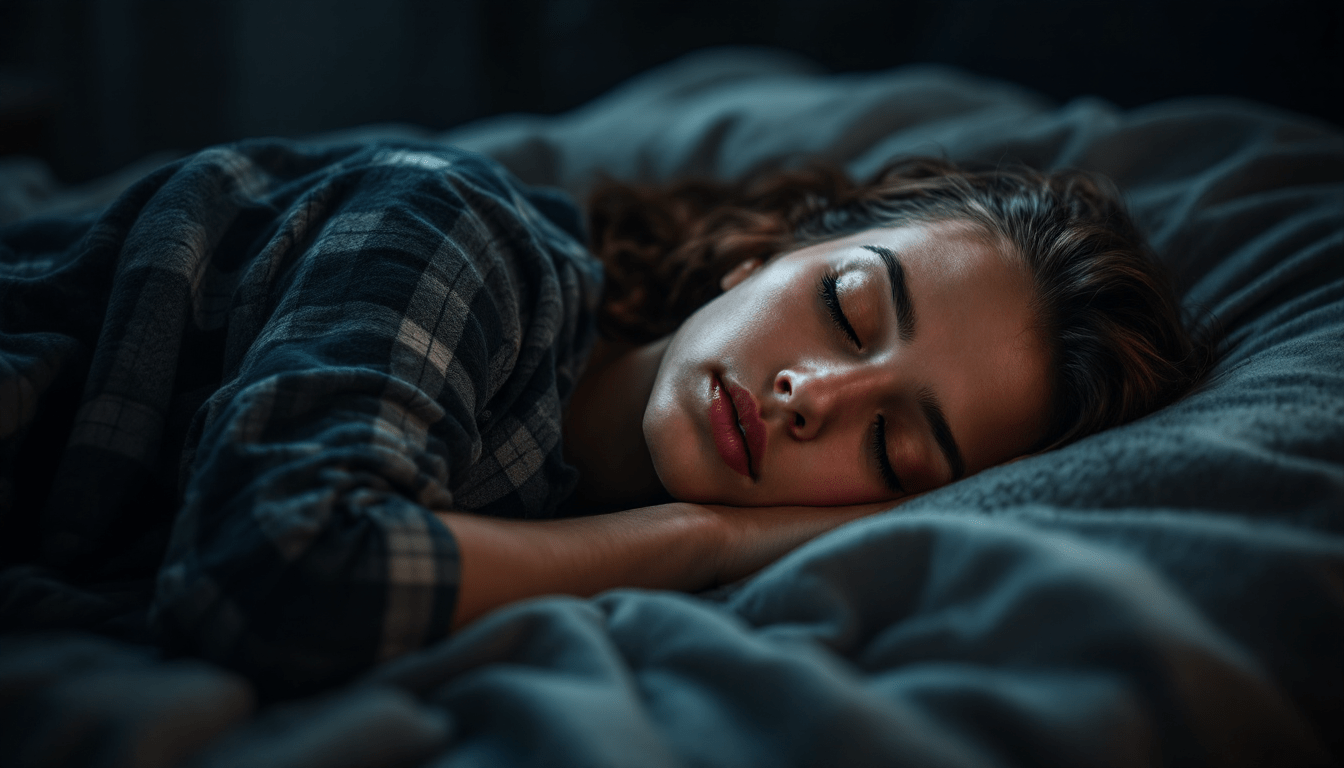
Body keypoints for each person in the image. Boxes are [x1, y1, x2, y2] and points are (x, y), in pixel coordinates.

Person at [0, 142, 1206, 697]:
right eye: (846, 308)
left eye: (894, 446)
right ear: (758, 254)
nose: (813, 400)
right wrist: (706, 540)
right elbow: (274, 573)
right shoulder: (458, 233)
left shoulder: (563, 550)